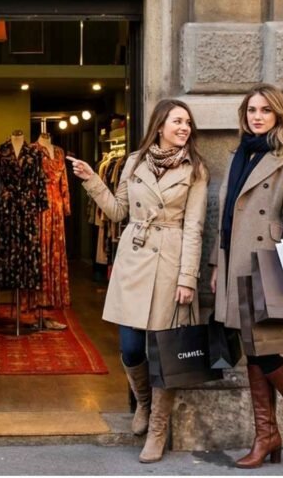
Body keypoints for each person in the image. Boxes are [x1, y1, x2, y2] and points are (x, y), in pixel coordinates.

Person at [69, 99, 208, 463]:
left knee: (163, 352)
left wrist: (188, 278)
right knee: (131, 346)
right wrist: (92, 180)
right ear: (159, 124)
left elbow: (194, 228)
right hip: (134, 257)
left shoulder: (196, 170)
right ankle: (143, 403)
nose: (184, 128)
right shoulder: (134, 162)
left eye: (188, 123)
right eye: (178, 121)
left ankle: (158, 429)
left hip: (171, 260)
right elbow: (118, 211)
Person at [208, 83, 283, 470]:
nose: (256, 116)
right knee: (254, 348)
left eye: (264, 110)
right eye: (251, 110)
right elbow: (226, 217)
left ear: (278, 114)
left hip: (263, 264)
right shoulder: (238, 154)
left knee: (265, 349)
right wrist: (217, 265)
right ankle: (268, 435)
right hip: (234, 264)